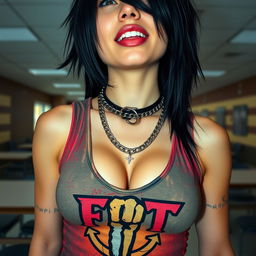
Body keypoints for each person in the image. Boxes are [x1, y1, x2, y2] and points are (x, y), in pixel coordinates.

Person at [29, 0, 235, 255]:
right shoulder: (56, 127)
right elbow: (45, 242)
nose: (128, 10)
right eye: (107, 1)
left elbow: (216, 249)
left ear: (172, 22)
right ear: (88, 30)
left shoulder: (207, 138)